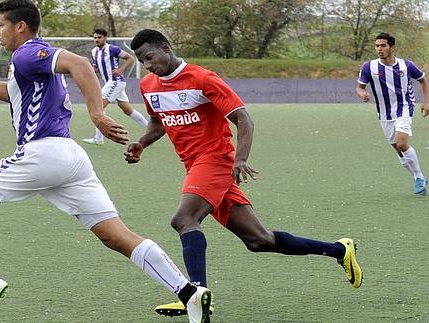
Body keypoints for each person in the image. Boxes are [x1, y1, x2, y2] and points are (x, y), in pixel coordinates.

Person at [0, 3, 211, 322]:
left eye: (0, 25)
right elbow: (12, 94)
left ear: (20, 27)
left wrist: (97, 113)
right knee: (115, 235)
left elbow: (79, 62)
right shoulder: (30, 64)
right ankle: (188, 292)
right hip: (71, 159)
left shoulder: (27, 54)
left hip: (41, 155)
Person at [125, 29, 363, 317]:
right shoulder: (149, 85)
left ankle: (195, 294)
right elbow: (158, 123)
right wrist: (141, 143)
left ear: (165, 48)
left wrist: (240, 159)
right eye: (142, 61)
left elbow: (243, 118)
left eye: (150, 57)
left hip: (216, 159)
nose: (148, 65)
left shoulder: (202, 79)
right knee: (259, 240)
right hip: (194, 166)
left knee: (184, 219)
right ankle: (339, 250)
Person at [356, 32, 429, 196]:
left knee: (402, 143)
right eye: (377, 46)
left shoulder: (406, 65)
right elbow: (360, 87)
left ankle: (418, 178)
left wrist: (427, 102)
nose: (379, 49)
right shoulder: (369, 67)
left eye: (383, 45)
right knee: (399, 149)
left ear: (392, 48)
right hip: (384, 113)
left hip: (404, 107)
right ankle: (420, 177)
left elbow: (423, 80)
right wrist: (362, 93)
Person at [82, 28, 148, 145]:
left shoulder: (112, 49)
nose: (97, 40)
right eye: (95, 38)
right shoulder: (94, 52)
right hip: (111, 83)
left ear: (105, 38)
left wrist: (120, 70)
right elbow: (95, 68)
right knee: (128, 110)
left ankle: (98, 138)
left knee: (98, 108)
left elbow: (130, 58)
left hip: (116, 81)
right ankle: (150, 130)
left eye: (99, 37)